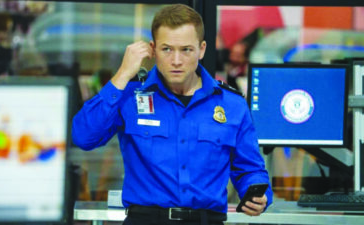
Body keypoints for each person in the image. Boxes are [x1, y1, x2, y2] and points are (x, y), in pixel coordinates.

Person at [72, 4, 273, 225]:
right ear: (153, 48)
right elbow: (84, 137)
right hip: (145, 220)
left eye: (186, 49)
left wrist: (258, 196)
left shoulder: (232, 104)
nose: (176, 61)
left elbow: (251, 169)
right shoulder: (129, 97)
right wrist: (122, 74)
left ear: (202, 49)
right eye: (167, 49)